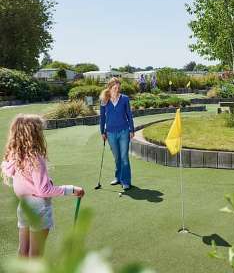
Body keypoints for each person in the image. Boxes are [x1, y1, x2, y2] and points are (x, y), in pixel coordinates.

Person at [1, 114, 84, 257]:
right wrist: (71, 189)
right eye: (39, 131)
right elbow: (43, 190)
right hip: (39, 207)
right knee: (36, 254)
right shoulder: (35, 159)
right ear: (34, 134)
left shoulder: (14, 156)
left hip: (24, 206)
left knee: (23, 251)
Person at [100, 77, 135, 191]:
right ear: (110, 87)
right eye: (115, 87)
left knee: (124, 157)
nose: (117, 88)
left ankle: (126, 181)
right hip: (110, 133)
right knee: (117, 157)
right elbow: (102, 118)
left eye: (118, 87)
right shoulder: (104, 100)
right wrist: (102, 132)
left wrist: (132, 130)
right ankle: (118, 177)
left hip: (124, 131)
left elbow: (129, 115)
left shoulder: (124, 99)